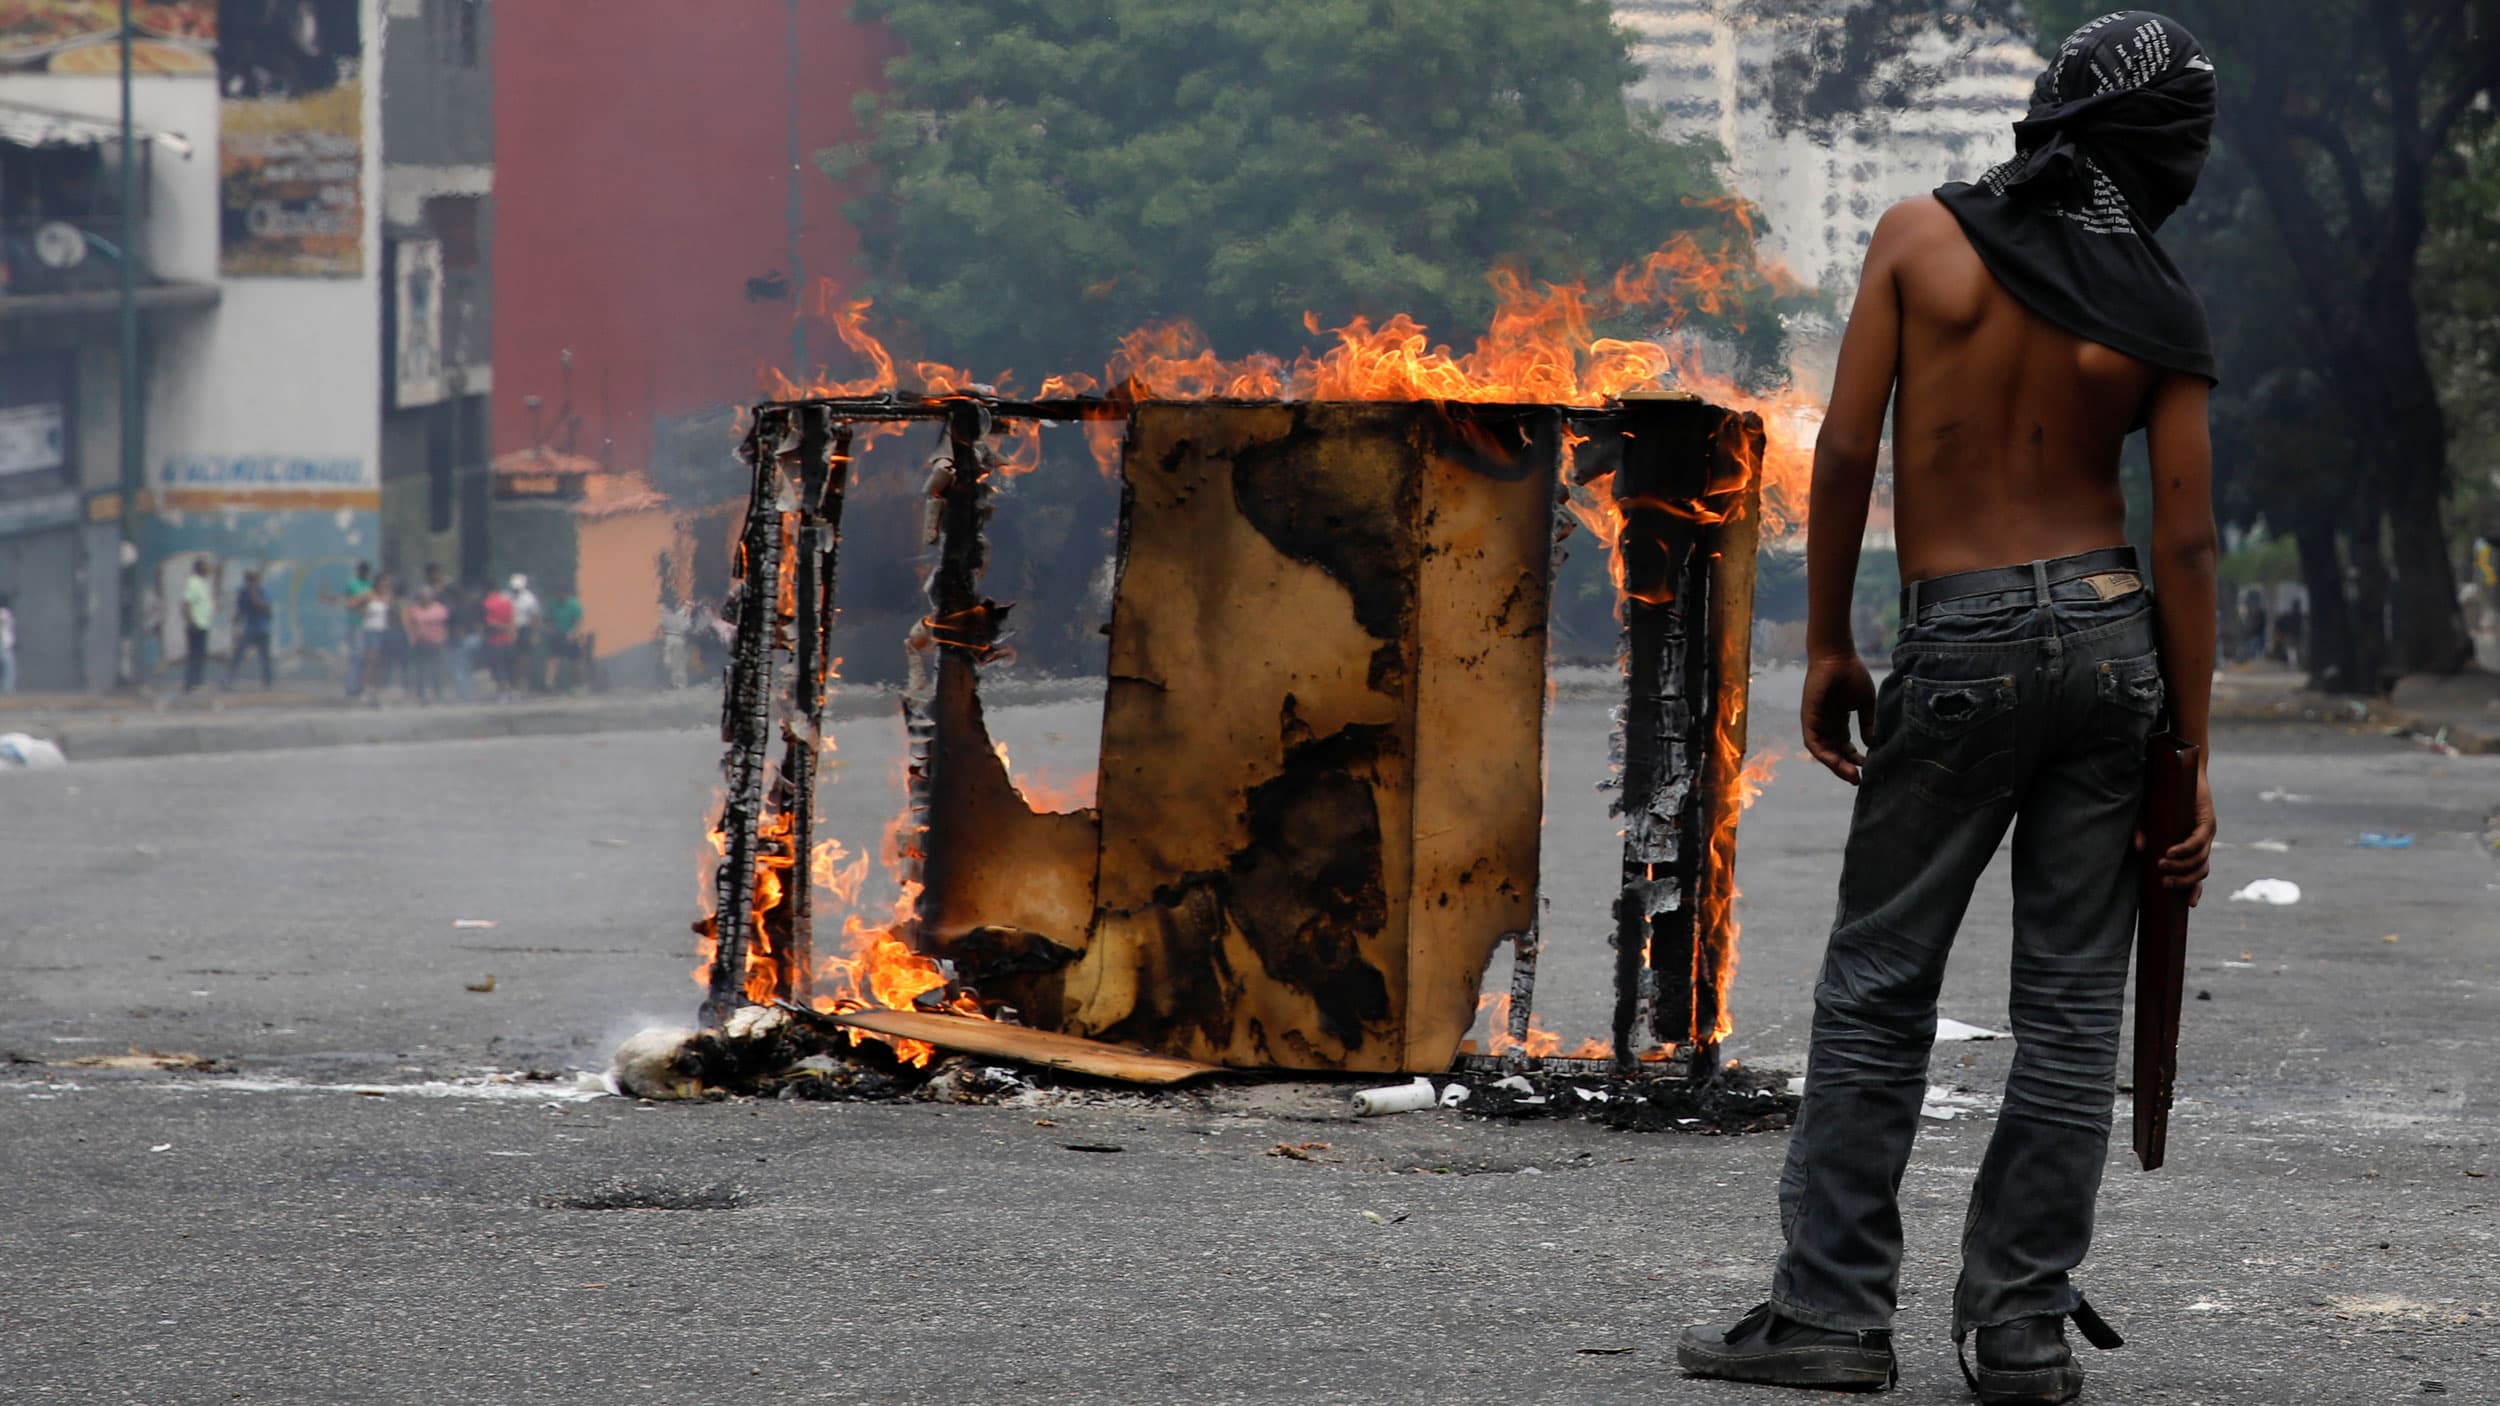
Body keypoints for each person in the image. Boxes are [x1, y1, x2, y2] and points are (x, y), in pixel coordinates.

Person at [1677, 15, 2220, 1405]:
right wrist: (2190, 757)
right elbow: (2188, 546)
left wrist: (1828, 645)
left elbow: (1846, 442)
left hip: (1962, 628)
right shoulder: (2154, 304)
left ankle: (1833, 1313)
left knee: (1878, 987)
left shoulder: (1922, 241)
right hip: (2109, 644)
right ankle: (2022, 1332)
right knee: (2070, 1006)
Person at [226, 569, 274, 689]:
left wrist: (253, 593)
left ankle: (267, 683)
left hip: (263, 629)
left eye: (253, 580)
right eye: (248, 580)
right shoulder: (243, 593)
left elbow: (263, 606)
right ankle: (228, 681)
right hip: (249, 629)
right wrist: (234, 628)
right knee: (238, 655)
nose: (250, 583)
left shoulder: (263, 591)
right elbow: (239, 611)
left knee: (264, 658)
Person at [403, 586, 449, 704]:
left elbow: (445, 625)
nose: (425, 599)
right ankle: (422, 694)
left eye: (427, 597)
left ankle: (438, 692)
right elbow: (410, 624)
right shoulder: (415, 609)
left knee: (437, 669)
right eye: (423, 597)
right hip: (420, 643)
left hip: (436, 643)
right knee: (421, 669)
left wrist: (444, 638)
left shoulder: (440, 609)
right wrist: (412, 638)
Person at [355, 573, 394, 707]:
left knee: (380, 661)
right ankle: (366, 689)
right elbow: (353, 603)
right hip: (371, 630)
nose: (385, 586)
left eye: (386, 583)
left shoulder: (387, 596)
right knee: (370, 659)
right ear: (377, 583)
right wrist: (363, 612)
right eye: (383, 583)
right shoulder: (369, 594)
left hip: (383, 630)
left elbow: (388, 614)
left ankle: (376, 688)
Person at [181, 557, 216, 693]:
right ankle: (190, 684)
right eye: (206, 567)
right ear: (200, 568)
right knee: (194, 656)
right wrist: (191, 622)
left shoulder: (202, 583)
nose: (209, 569)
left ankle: (196, 682)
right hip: (196, 625)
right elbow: (186, 603)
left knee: (199, 655)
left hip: (203, 624)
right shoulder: (193, 582)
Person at [481, 578, 518, 703]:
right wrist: (511, 632)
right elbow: (512, 619)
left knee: (498, 667)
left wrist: (503, 628)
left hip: (494, 640)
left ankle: (503, 694)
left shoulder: (487, 603)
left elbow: (490, 623)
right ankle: (510, 692)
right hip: (509, 640)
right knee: (509, 666)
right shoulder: (507, 601)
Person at [447, 583, 484, 704]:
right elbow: (478, 625)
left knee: (460, 670)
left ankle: (466, 696)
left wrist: (459, 641)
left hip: (463, 641)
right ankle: (471, 694)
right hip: (475, 639)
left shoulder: (455, 609)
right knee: (468, 669)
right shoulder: (471, 607)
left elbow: (459, 628)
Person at [507, 573, 543, 690]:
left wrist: (535, 634)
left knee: (524, 657)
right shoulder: (506, 596)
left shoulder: (529, 598)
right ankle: (511, 682)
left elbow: (535, 616)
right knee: (510, 657)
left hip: (524, 629)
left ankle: (522, 682)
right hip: (508, 629)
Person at [0, 591, 17, 696]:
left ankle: (6, 691)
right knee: (8, 670)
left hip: (6, 647)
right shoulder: (4, 613)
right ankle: (6, 691)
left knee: (8, 670)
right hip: (3, 647)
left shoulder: (6, 613)